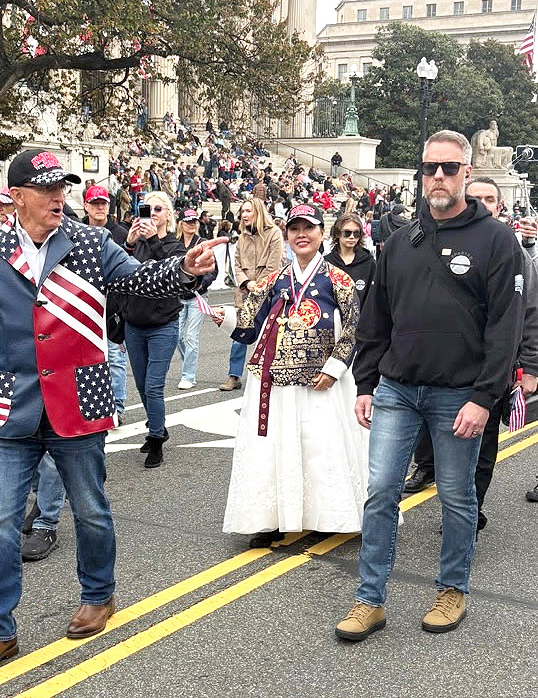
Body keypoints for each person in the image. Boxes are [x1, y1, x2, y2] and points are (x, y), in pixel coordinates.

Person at [0, 149, 221, 677]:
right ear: (16, 198)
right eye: (47, 189)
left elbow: (138, 280)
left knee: (90, 511)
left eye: (64, 188)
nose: (60, 198)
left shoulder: (88, 241)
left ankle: (99, 594)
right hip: (9, 408)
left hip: (79, 400)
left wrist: (184, 269)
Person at [336, 131, 524, 641]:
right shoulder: (400, 241)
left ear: (466, 172)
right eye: (428, 168)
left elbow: (505, 328)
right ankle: (369, 599)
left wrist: (484, 397)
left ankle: (452, 588)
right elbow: (376, 320)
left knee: (457, 498)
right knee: (380, 493)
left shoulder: (498, 241)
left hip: (458, 396)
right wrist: (366, 383)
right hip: (397, 390)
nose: (437, 177)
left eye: (447, 168)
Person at [222, 203, 366, 544]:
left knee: (320, 447)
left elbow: (355, 328)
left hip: (322, 382)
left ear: (321, 234)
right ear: (286, 235)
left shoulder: (338, 279)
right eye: (295, 229)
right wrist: (223, 316)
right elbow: (248, 325)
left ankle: (325, 515)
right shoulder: (273, 280)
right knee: (275, 448)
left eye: (309, 228)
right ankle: (272, 519)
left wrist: (334, 370)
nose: (301, 235)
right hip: (275, 382)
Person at [403, 177, 538, 526]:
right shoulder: (432, 241)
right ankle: (428, 471)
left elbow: (530, 314)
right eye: (476, 197)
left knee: (481, 444)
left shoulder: (513, 250)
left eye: (490, 199)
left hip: (490, 369)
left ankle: (468, 512)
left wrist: (530, 367)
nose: (483, 204)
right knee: (432, 433)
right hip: (441, 365)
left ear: (499, 205)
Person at [122, 192, 185, 467]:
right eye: (147, 208)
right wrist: (128, 243)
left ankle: (156, 438)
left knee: (154, 385)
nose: (153, 213)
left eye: (158, 208)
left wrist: (152, 240)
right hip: (134, 323)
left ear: (168, 214)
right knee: (140, 384)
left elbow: (169, 273)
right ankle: (157, 425)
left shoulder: (174, 245)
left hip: (163, 324)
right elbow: (118, 272)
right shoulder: (138, 243)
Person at [220, 198, 283, 392]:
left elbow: (274, 265)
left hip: (270, 294)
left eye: (248, 211)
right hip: (246, 291)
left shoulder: (274, 233)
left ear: (258, 211)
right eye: (242, 211)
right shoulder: (242, 237)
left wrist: (260, 285)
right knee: (239, 334)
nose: (244, 215)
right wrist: (247, 282)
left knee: (271, 335)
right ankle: (234, 375)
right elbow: (237, 265)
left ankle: (271, 372)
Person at [82, 185, 128, 422]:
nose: (100, 208)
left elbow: (129, 269)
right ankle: (94, 405)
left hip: (113, 307)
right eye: (95, 203)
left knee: (115, 359)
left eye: (103, 204)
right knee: (87, 359)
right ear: (86, 206)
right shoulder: (74, 232)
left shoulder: (120, 233)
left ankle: (117, 407)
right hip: (83, 306)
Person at [175, 211, 217, 389]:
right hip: (178, 297)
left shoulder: (203, 244)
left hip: (198, 296)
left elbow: (214, 270)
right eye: (188, 221)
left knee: (191, 336)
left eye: (194, 221)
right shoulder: (175, 244)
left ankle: (189, 375)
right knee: (176, 337)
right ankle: (188, 364)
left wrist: (200, 284)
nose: (191, 224)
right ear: (181, 224)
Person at [325, 214, 376, 308]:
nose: (352, 237)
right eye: (347, 233)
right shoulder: (326, 263)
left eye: (356, 233)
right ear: (337, 234)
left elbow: (373, 297)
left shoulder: (369, 262)